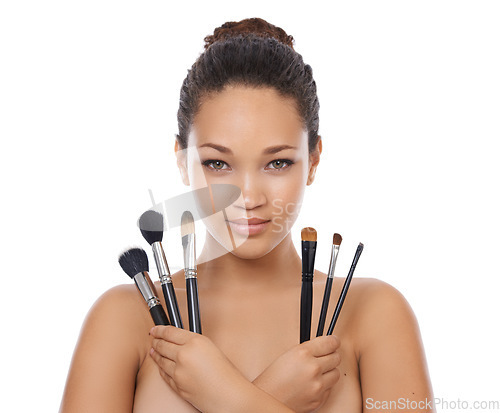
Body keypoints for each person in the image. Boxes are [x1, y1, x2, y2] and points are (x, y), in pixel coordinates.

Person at [59, 17, 434, 413]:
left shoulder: (373, 314)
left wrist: (226, 396)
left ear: (313, 160)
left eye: (278, 163)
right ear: (183, 162)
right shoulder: (124, 319)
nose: (249, 197)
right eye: (218, 164)